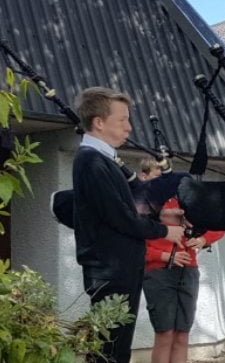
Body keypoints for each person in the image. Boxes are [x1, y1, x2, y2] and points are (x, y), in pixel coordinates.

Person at [71, 87, 186, 363]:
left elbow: (125, 209)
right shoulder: (91, 161)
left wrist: (161, 217)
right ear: (99, 122)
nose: (129, 127)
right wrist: (165, 232)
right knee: (109, 349)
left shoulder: (102, 160)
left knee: (115, 347)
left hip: (119, 267)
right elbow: (120, 217)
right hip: (110, 270)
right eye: (122, 119)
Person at [142, 198, 225, 363]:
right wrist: (165, 256)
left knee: (182, 334)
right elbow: (135, 246)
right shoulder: (144, 203)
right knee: (164, 333)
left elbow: (220, 224)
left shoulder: (187, 201)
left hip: (188, 271)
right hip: (158, 272)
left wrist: (203, 239)